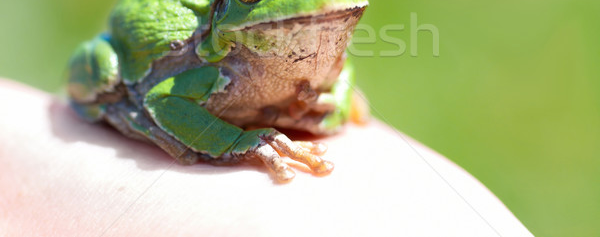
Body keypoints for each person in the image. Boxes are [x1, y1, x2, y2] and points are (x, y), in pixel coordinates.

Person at [0, 79, 532, 237]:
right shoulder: (214, 54)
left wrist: (334, 94)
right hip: (136, 68)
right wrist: (241, 141)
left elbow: (338, 70)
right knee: (108, 76)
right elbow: (165, 97)